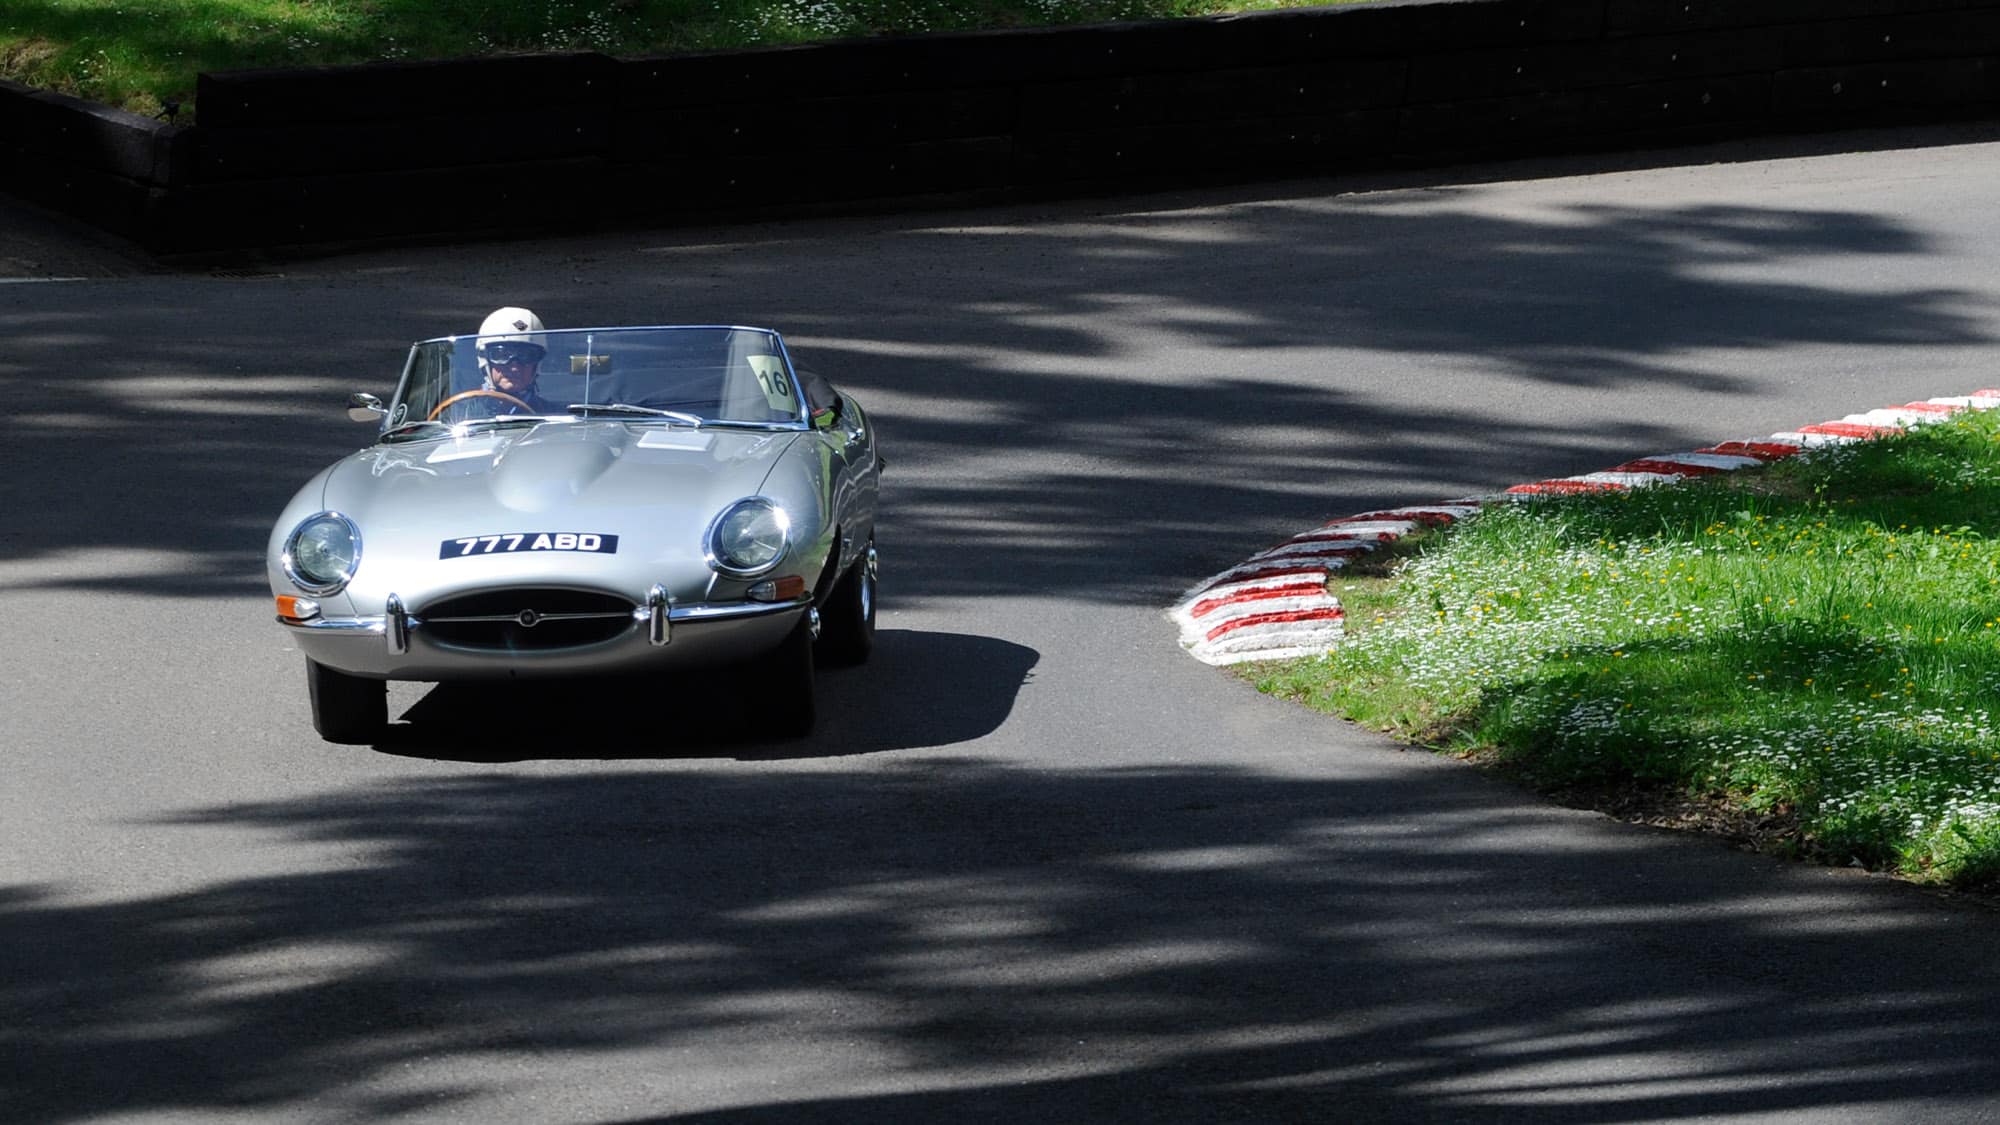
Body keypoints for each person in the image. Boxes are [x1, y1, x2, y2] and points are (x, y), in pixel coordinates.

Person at [473, 306, 559, 415]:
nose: (514, 368)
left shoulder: (551, 416)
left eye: (526, 356)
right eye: (501, 355)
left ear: (537, 364)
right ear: (485, 360)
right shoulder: (460, 412)